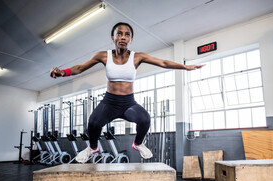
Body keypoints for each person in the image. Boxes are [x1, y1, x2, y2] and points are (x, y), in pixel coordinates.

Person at [50, 22, 203, 162]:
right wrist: (62, 72)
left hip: (128, 103)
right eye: (119, 33)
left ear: (131, 39)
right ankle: (92, 147)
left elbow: (163, 62)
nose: (123, 37)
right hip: (109, 103)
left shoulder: (138, 57)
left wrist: (186, 67)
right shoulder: (103, 55)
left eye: (127, 34)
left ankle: (138, 144)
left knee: (144, 119)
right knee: (93, 123)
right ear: (113, 37)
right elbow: (80, 68)